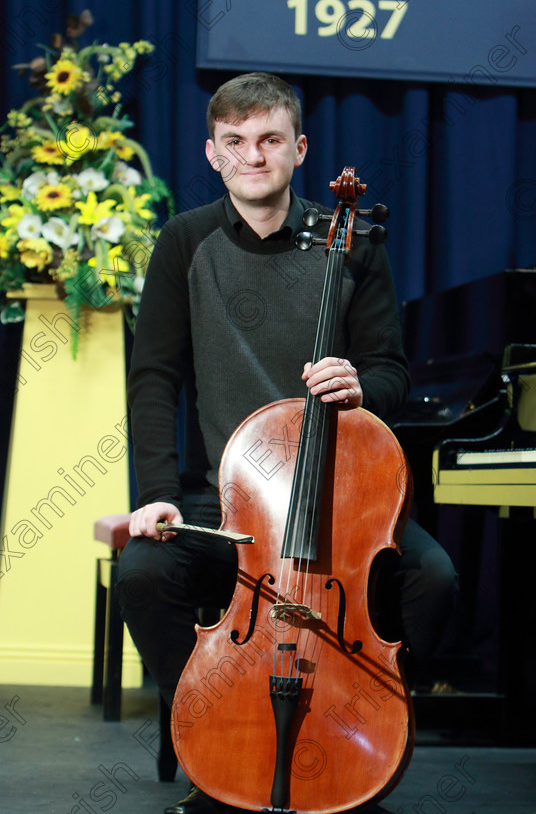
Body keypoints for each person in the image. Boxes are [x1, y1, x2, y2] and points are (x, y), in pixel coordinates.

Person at [117, 73, 457, 814]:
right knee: (143, 574)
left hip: (338, 497)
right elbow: (153, 377)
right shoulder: (185, 241)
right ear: (212, 154)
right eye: (235, 143)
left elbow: (393, 372)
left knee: (434, 577)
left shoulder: (353, 241)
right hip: (225, 497)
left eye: (270, 140)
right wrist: (157, 493)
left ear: (298, 148)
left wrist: (360, 385)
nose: (253, 156)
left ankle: (353, 745)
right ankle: (216, 748)